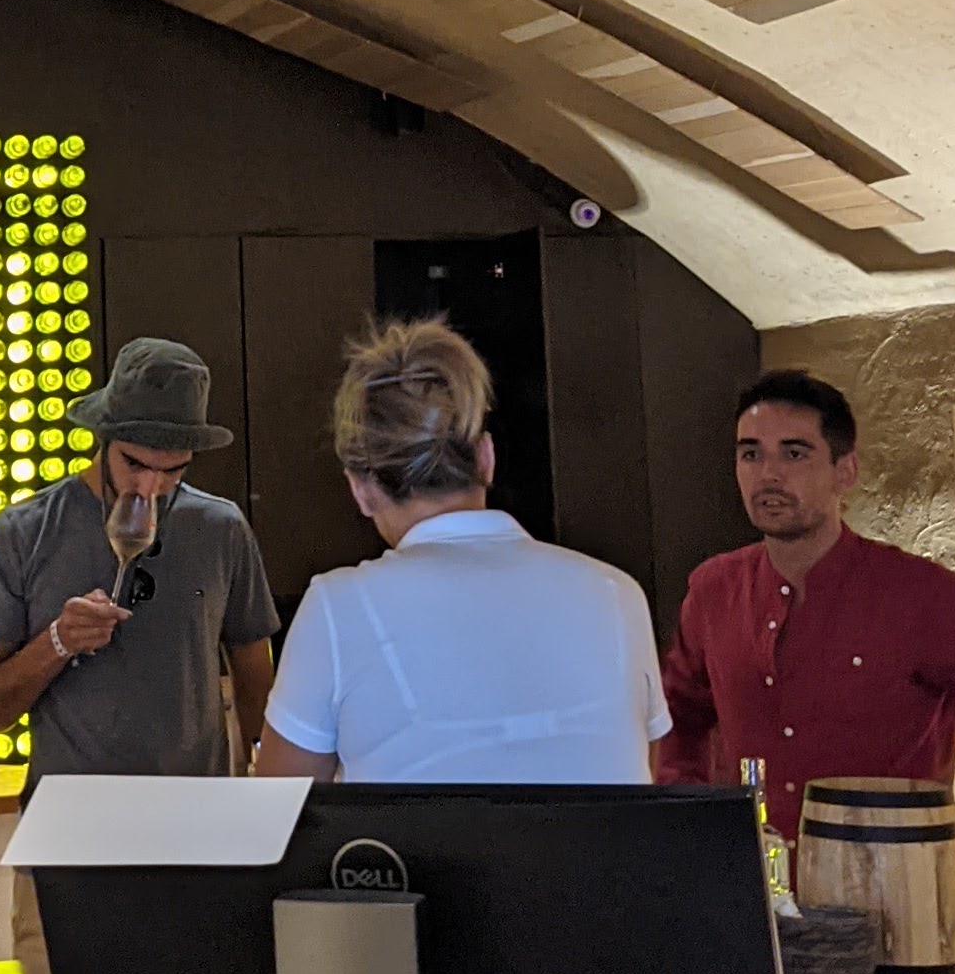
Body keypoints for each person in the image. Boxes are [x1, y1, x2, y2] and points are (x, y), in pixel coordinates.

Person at [655, 369, 955, 875]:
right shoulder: (714, 591)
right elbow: (677, 718)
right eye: (751, 454)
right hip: (749, 893)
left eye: (794, 454)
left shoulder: (921, 596)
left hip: (889, 897)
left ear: (845, 472)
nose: (768, 474)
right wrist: (691, 837)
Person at [256, 318, 668, 785]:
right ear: (486, 458)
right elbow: (643, 774)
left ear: (361, 489)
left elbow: (280, 810)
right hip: (597, 840)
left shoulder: (337, 608)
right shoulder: (619, 594)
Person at [0, 335, 277, 776]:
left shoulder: (221, 529)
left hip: (192, 809)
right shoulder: (25, 532)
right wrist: (57, 642)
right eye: (134, 464)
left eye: (173, 470)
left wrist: (266, 788)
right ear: (102, 438)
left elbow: (256, 685)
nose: (150, 488)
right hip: (69, 811)